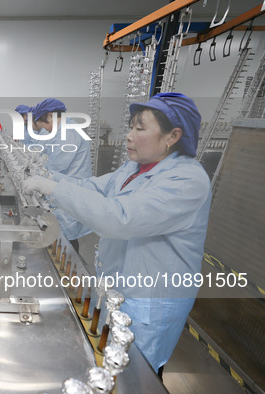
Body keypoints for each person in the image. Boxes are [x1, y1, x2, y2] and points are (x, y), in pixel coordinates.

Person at [23, 92, 212, 375]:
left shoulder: (187, 180)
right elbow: (95, 188)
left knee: (136, 375)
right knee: (111, 365)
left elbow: (120, 219)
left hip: (150, 301)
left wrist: (54, 190)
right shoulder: (134, 168)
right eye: (130, 127)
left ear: (172, 136)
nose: (129, 136)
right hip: (120, 288)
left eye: (140, 128)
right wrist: (53, 179)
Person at [28, 98, 93, 252]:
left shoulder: (67, 133)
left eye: (44, 124)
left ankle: (69, 273)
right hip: (64, 191)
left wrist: (36, 175)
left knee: (67, 244)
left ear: (50, 116)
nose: (46, 129)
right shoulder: (63, 130)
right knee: (63, 239)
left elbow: (55, 167)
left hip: (70, 193)